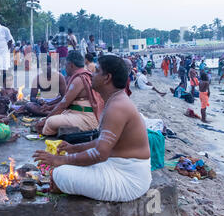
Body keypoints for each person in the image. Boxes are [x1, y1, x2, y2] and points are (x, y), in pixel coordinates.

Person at [33, 55, 152, 202]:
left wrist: (60, 160)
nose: (92, 75)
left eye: (96, 71)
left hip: (128, 179)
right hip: (116, 166)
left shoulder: (117, 106)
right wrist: (74, 148)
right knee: (62, 171)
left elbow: (100, 153)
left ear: (107, 78)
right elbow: (102, 143)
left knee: (60, 174)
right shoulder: (115, 100)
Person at [35, 50, 104, 136]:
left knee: (50, 121)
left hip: (86, 117)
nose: (65, 67)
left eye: (65, 65)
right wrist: (49, 108)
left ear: (71, 65)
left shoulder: (79, 79)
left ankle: (49, 131)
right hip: (75, 113)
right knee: (49, 118)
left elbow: (63, 105)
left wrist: (45, 120)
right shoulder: (80, 76)